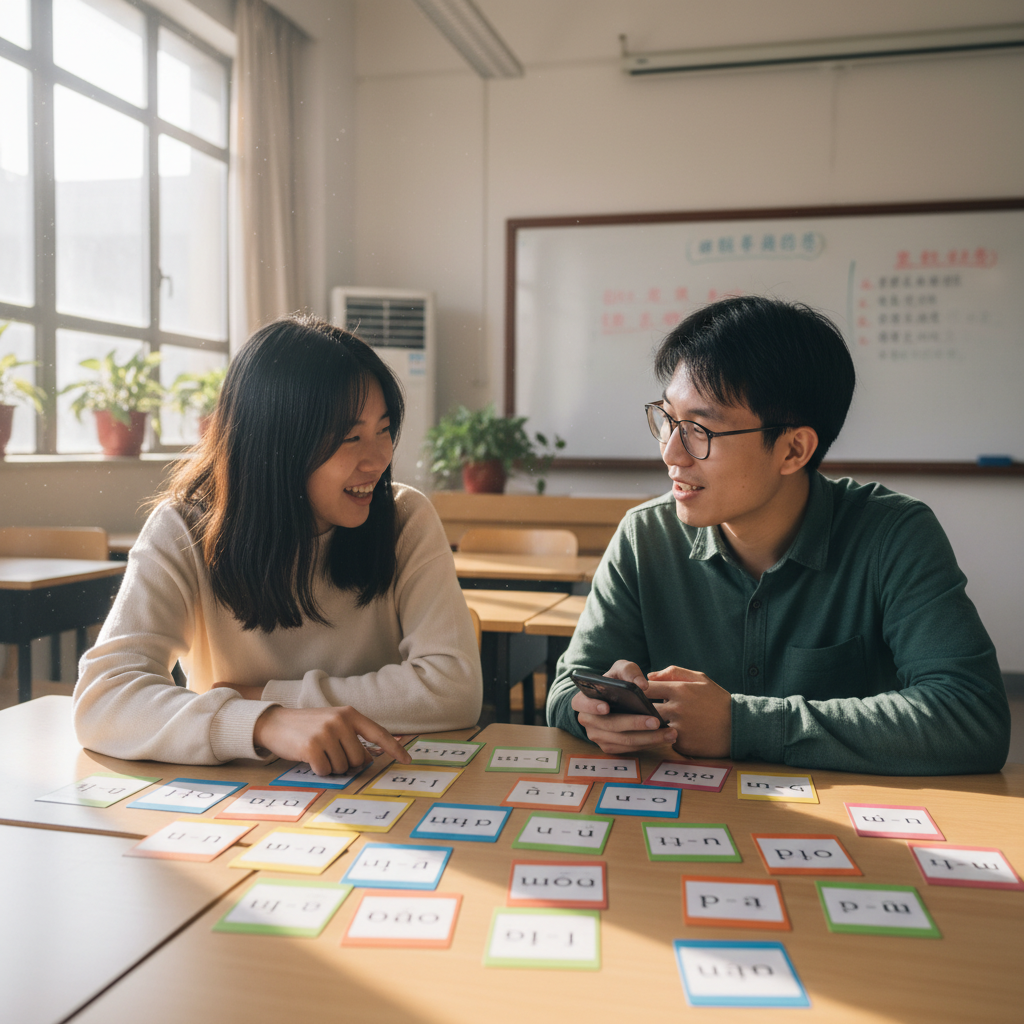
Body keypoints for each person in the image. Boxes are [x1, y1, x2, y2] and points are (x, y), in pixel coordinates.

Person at [546, 296, 1009, 775]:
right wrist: (594, 712)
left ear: (793, 450)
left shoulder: (894, 536)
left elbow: (972, 716)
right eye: (667, 420)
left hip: (850, 831)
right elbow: (564, 691)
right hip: (687, 821)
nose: (671, 453)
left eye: (699, 430)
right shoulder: (645, 536)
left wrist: (741, 725)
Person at [74, 315, 482, 773]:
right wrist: (262, 723)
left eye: (384, 429)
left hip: (377, 786)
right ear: (278, 445)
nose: (380, 458)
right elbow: (102, 697)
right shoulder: (185, 528)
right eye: (352, 437)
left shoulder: (406, 519)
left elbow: (454, 690)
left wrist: (268, 696)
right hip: (237, 799)